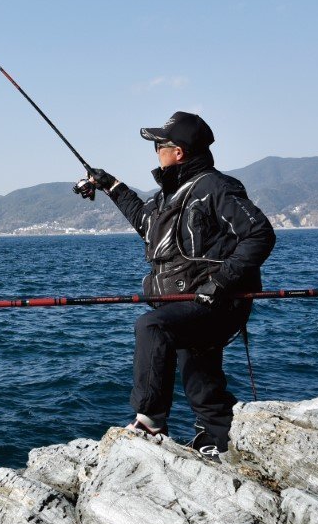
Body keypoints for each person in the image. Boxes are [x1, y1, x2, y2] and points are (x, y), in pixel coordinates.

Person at [73, 111, 275, 456]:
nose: (155, 152)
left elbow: (259, 234)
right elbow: (145, 222)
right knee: (201, 382)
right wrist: (109, 184)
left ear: (177, 152)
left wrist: (220, 283)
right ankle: (218, 442)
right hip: (183, 303)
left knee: (152, 328)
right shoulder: (170, 194)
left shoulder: (215, 186)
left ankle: (150, 422)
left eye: (158, 146)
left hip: (215, 303)